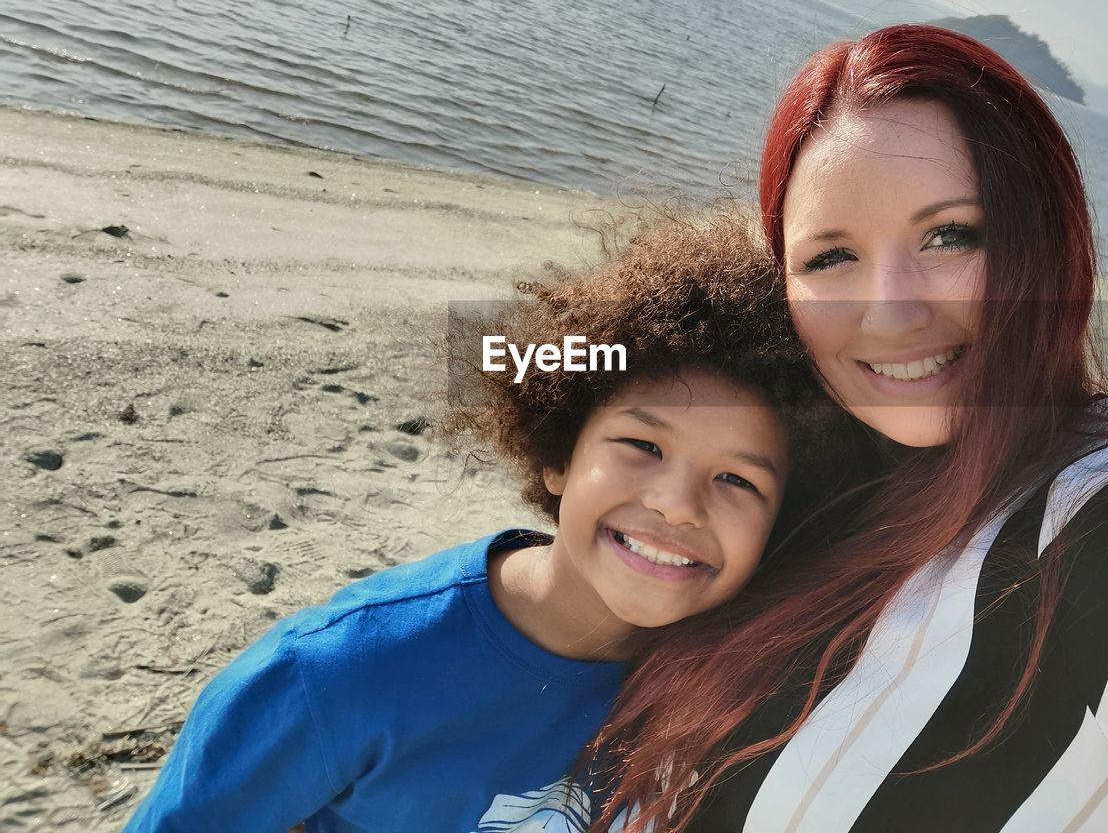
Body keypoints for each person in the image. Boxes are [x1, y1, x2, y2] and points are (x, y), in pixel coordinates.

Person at [585, 26, 1108, 832]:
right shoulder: (791, 472)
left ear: (1045, 244)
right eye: (830, 258)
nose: (891, 315)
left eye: (950, 236)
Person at [122, 209, 868, 833]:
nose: (677, 502)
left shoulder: (740, 678)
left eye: (738, 479)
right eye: (642, 445)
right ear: (557, 454)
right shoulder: (336, 674)